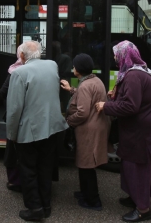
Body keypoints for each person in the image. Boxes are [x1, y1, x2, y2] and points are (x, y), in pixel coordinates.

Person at [95, 41, 151, 222]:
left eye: (116, 54)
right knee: (130, 167)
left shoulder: (133, 76)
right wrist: (116, 96)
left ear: (124, 56)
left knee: (139, 169)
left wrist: (107, 106)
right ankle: (134, 197)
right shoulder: (139, 72)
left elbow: (131, 106)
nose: (114, 57)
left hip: (142, 132)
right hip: (143, 129)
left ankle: (143, 209)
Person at [6, 41, 69, 221]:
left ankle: (35, 208)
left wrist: (12, 135)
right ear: (40, 54)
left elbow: (14, 109)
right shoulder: (52, 65)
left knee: (28, 169)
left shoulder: (18, 73)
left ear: (22, 56)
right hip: (52, 127)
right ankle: (46, 204)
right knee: (45, 167)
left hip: (30, 130)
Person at [60, 53, 110, 211]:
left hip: (89, 129)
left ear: (79, 69)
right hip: (96, 126)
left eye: (74, 66)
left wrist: (67, 122)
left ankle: (93, 200)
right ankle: (84, 193)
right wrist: (71, 89)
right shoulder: (94, 80)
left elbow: (82, 112)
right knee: (84, 163)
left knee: (87, 165)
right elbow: (85, 97)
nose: (73, 68)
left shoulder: (85, 85)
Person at [0, 45, 25, 193]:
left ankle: (14, 180)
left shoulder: (14, 70)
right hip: (22, 116)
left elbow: (2, 92)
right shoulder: (23, 71)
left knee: (13, 148)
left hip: (14, 115)